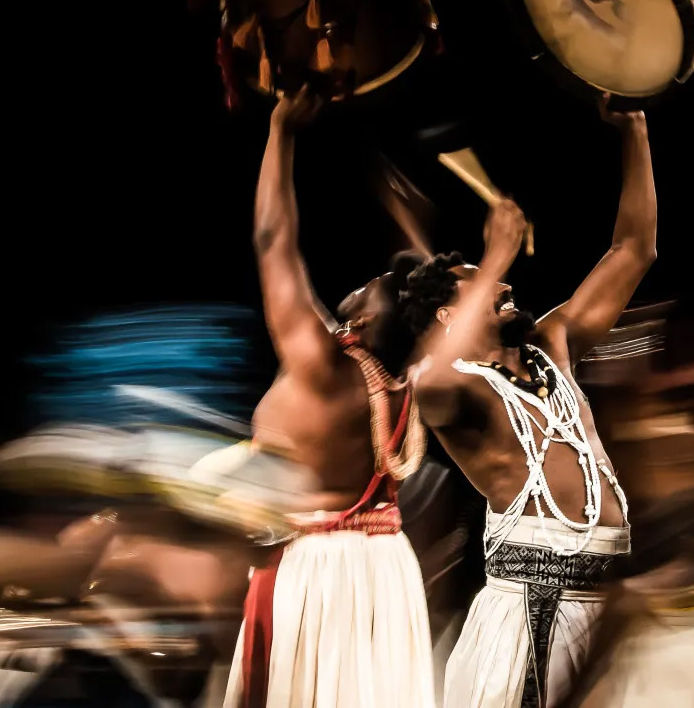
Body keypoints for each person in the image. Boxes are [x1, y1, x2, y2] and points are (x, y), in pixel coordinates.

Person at [401, 97, 656, 708]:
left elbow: (633, 251)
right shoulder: (457, 389)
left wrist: (634, 132)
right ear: (448, 314)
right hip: (531, 614)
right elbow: (430, 379)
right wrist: (494, 255)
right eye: (485, 287)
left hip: (608, 604)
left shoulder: (553, 345)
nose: (507, 285)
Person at [222, 87, 434, 708]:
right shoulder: (410, 375)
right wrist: (404, 219)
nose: (362, 286)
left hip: (315, 572)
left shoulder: (321, 365)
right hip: (382, 571)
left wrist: (281, 130)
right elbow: (428, 301)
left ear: (361, 326)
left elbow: (273, 242)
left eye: (369, 288)